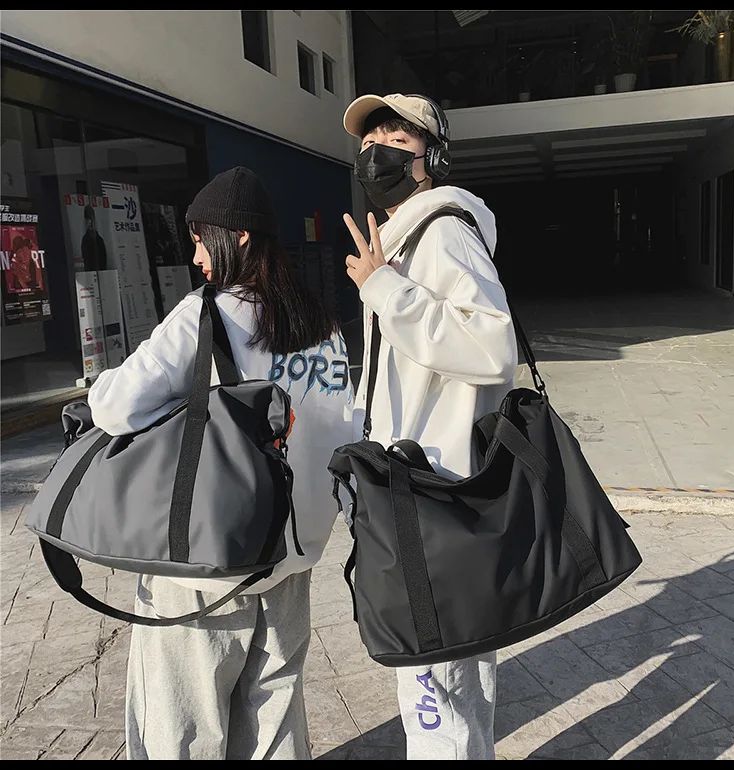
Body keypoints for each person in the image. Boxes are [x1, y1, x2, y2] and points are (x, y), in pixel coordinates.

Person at [87, 166, 353, 760]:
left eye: (201, 239)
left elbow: (114, 406)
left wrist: (100, 382)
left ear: (239, 237)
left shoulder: (206, 314)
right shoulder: (321, 324)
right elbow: (340, 430)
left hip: (208, 560)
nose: (196, 255)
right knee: (275, 718)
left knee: (185, 724)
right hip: (292, 555)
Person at [341, 93, 518, 760]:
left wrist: (384, 288)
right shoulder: (404, 238)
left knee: (437, 682)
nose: (377, 151)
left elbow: (492, 347)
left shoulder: (443, 231)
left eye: (398, 138)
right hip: (412, 488)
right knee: (447, 678)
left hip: (436, 491)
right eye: (370, 140)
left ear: (432, 157)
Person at [81, 204, 108, 271]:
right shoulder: (85, 240)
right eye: (88, 219)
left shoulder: (99, 240)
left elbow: (104, 262)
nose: (90, 222)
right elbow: (86, 262)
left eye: (91, 219)